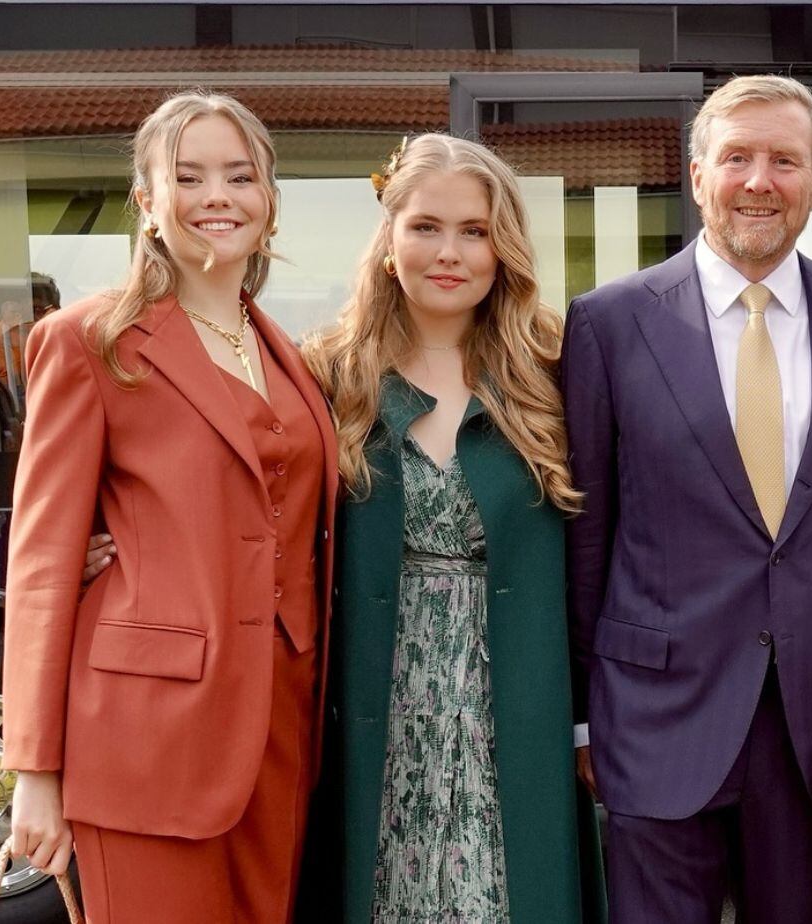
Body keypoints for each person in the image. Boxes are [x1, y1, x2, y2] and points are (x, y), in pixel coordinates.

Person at [2, 90, 339, 924]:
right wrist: (35, 775)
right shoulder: (91, 341)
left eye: (240, 175)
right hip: (146, 737)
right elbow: (44, 566)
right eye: (188, 177)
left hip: (282, 731)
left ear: (268, 201)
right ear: (149, 203)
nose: (217, 196)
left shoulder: (289, 352)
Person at [561, 75, 812, 922]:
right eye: (736, 157)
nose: (758, 181)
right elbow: (588, 535)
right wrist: (586, 719)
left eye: (784, 160)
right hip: (653, 715)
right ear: (698, 172)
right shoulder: (607, 323)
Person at [296, 133, 606, 923]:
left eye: (474, 231)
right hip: (378, 702)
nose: (450, 252)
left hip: (516, 702)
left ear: (502, 249)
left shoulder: (559, 369)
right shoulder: (326, 376)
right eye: (427, 226)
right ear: (389, 240)